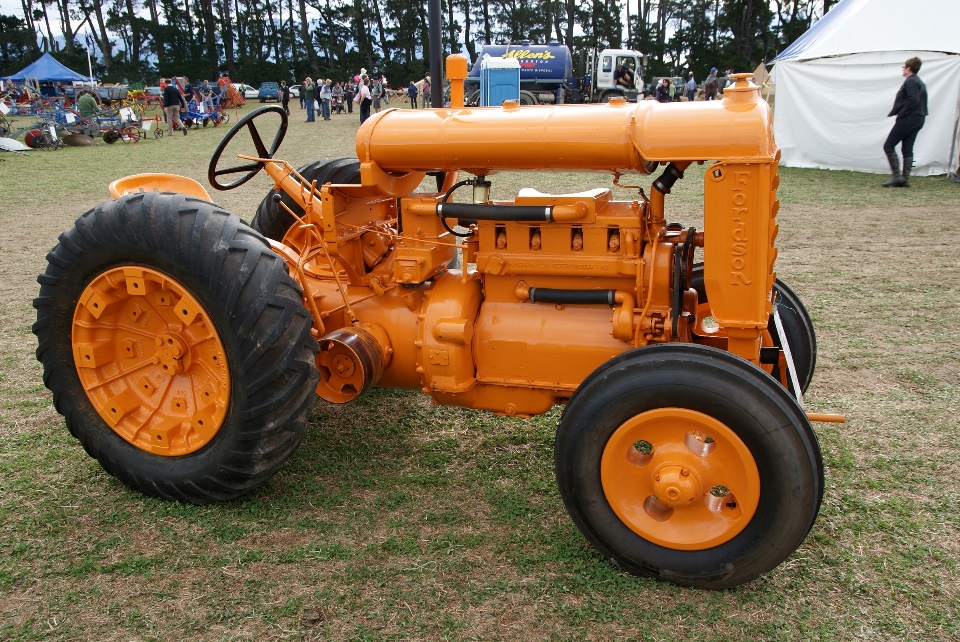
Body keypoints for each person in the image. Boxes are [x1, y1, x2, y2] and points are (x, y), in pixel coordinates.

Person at [882, 57, 928, 188]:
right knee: (907, 148)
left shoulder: (910, 81)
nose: (903, 69)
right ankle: (905, 178)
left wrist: (902, 113)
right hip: (919, 118)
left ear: (908, 68)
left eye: (904, 67)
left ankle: (897, 177)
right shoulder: (919, 82)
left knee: (888, 145)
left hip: (909, 119)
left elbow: (913, 99)